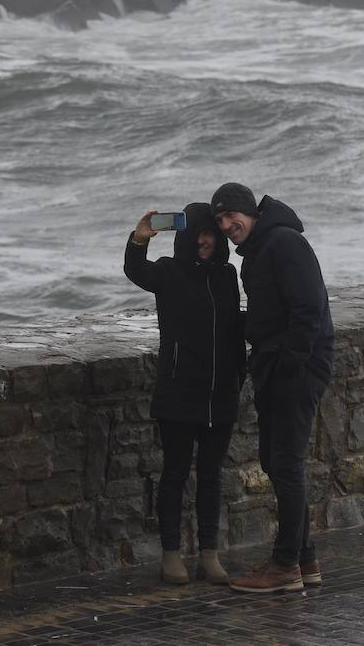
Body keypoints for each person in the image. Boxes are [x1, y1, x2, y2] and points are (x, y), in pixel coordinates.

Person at [211, 183, 334, 594]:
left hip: (294, 369)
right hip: (277, 366)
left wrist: (290, 366)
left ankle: (285, 566)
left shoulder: (284, 243)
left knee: (287, 463)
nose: (228, 225)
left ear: (251, 212)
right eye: (220, 221)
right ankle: (305, 557)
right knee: (276, 460)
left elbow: (309, 307)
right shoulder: (259, 251)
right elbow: (270, 314)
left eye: (232, 216)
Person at [124, 202, 246, 585]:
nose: (206, 240)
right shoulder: (169, 272)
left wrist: (238, 375)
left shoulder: (227, 275)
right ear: (187, 237)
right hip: (178, 393)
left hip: (220, 394)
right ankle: (171, 555)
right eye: (199, 234)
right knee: (175, 475)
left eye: (211, 233)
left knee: (211, 476)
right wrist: (139, 239)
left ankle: (209, 554)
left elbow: (233, 328)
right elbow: (135, 271)